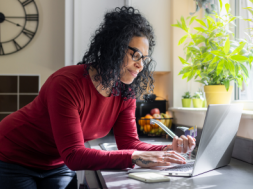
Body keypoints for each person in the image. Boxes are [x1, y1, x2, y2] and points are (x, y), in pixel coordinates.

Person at [0, 6, 195, 189]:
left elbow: (129, 144)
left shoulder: (125, 91)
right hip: (13, 157)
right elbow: (74, 155)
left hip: (56, 164)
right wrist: (135, 157)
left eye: (144, 59)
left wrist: (168, 150)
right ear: (114, 47)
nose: (141, 66)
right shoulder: (66, 83)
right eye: (136, 55)